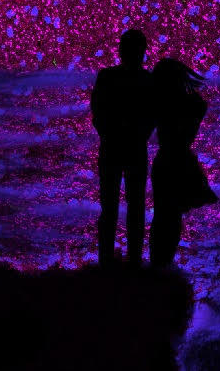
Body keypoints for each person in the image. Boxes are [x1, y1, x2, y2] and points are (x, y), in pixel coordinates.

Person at [90, 29, 155, 269]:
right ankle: (134, 261)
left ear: (120, 51)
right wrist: (138, 135)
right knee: (135, 207)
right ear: (142, 51)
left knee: (110, 207)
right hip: (134, 148)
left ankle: (106, 261)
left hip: (112, 148)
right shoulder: (147, 80)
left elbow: (98, 112)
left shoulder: (107, 77)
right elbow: (152, 115)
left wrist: (110, 134)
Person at [149, 58, 217, 269]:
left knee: (163, 215)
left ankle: (158, 265)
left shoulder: (159, 103)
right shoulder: (194, 104)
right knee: (173, 215)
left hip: (166, 161)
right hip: (182, 161)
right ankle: (164, 264)